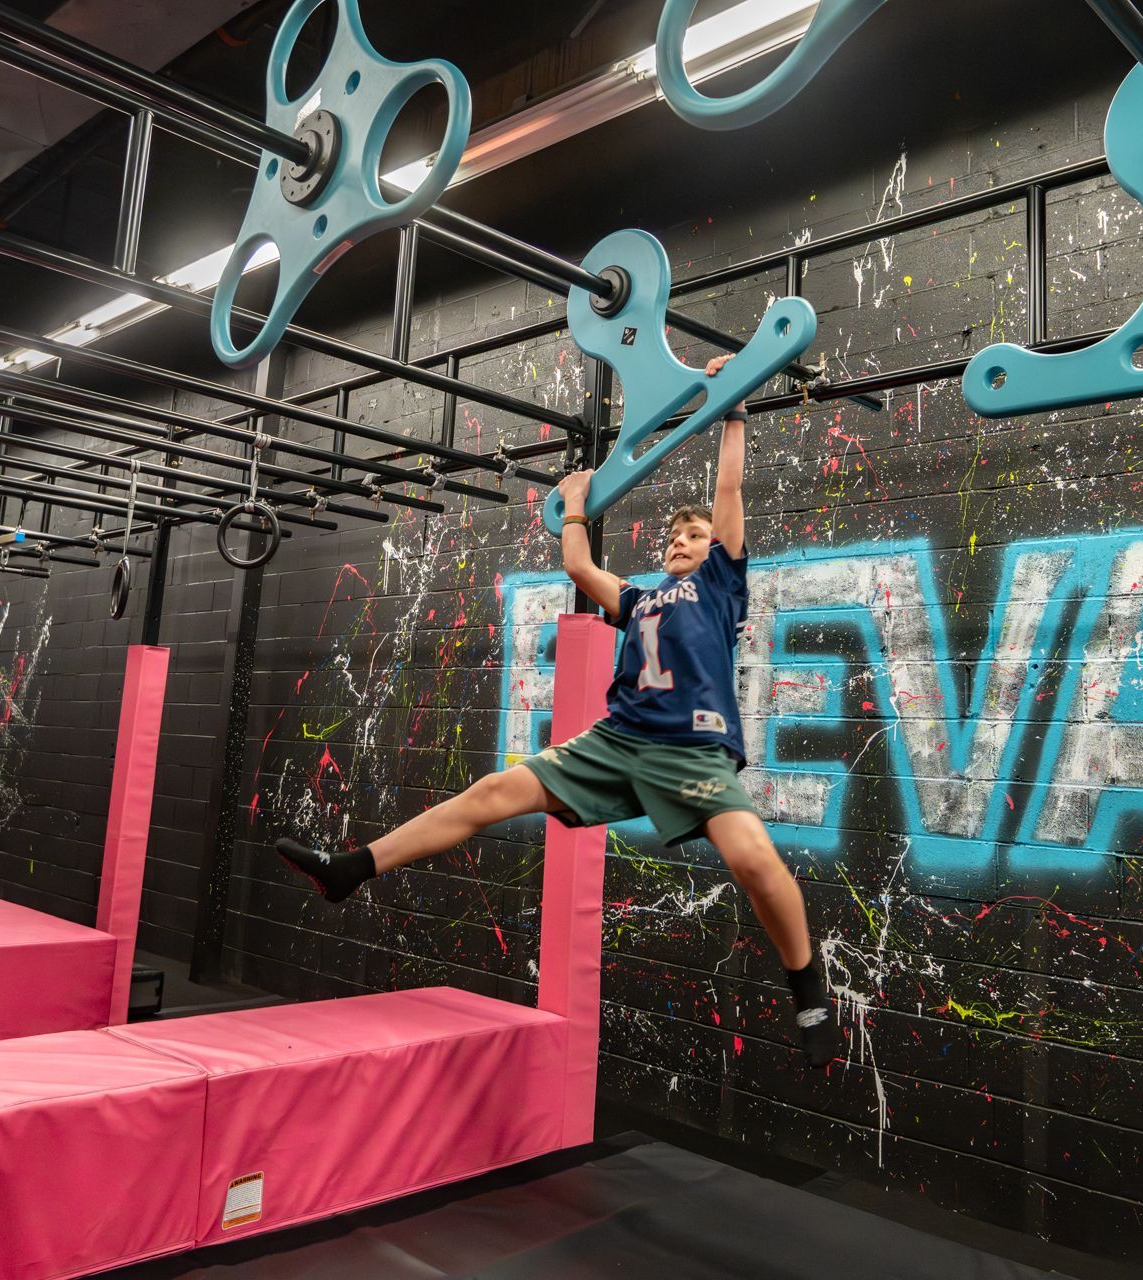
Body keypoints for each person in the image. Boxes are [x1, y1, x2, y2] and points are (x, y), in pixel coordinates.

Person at [275, 354, 837, 1067]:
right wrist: (575, 503)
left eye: (692, 536)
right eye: (672, 537)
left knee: (754, 859)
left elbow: (728, 485)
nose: (679, 543)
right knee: (493, 792)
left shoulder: (723, 585)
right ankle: (351, 868)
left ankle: (806, 983)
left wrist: (732, 405)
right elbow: (579, 567)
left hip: (692, 751)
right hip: (619, 740)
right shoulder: (638, 599)